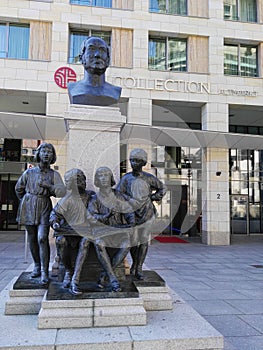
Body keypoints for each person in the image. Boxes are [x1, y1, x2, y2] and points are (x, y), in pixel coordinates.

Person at [15, 143, 66, 284]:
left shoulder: (54, 174)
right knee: (32, 237)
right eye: (44, 151)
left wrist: (49, 187)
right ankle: (36, 266)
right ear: (38, 154)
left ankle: (45, 270)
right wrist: (27, 201)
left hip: (44, 205)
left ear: (53, 156)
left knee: (42, 238)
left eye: (50, 152)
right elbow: (19, 189)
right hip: (29, 205)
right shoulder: (29, 173)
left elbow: (62, 191)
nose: (46, 154)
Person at [116, 148, 166, 280]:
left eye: (137, 161)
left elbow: (162, 187)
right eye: (132, 160)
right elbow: (118, 193)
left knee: (143, 240)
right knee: (133, 241)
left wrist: (154, 197)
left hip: (147, 212)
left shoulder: (149, 178)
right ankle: (133, 264)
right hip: (132, 214)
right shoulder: (126, 178)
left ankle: (139, 267)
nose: (134, 163)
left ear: (143, 162)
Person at [87, 166, 136, 292]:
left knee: (128, 244)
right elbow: (92, 217)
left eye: (106, 175)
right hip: (102, 232)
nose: (103, 178)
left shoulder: (119, 196)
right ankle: (113, 279)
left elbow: (128, 211)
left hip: (118, 231)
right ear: (97, 179)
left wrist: (132, 222)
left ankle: (105, 274)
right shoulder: (94, 199)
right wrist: (105, 216)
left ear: (111, 178)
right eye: (100, 176)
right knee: (99, 243)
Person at [49, 168, 94, 293]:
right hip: (68, 232)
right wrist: (55, 223)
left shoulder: (91, 197)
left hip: (84, 232)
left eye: (79, 180)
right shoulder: (67, 199)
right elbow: (55, 214)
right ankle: (69, 270)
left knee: (86, 240)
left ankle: (75, 278)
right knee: (60, 241)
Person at [68, 36, 121, 106]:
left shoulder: (115, 91)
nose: (97, 55)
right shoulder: (73, 88)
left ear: (108, 60)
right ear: (81, 58)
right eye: (92, 49)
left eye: (102, 50)